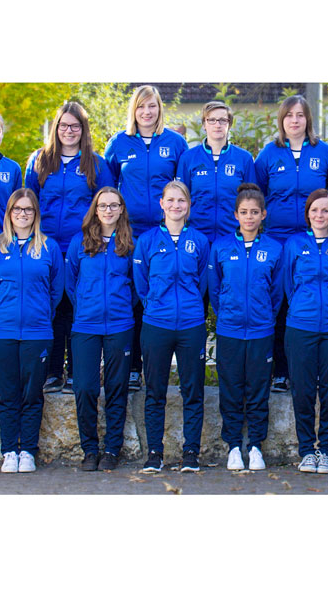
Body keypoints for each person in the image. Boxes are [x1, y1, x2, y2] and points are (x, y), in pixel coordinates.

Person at [25, 101, 114, 395]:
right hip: (47, 246)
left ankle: (78, 371)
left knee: (78, 306)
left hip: (83, 246)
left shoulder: (96, 164)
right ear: (56, 128)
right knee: (53, 307)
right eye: (64, 125)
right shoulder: (40, 160)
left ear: (83, 129)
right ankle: (52, 372)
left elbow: (106, 202)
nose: (69, 131)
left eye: (75, 126)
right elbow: (28, 201)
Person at [105, 85, 189, 392]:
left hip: (164, 234)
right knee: (130, 296)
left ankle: (158, 366)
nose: (147, 112)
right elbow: (108, 189)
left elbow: (183, 189)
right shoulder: (119, 142)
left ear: (159, 109)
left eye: (152, 106)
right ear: (133, 110)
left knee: (157, 294)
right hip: (129, 233)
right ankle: (132, 367)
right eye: (141, 106)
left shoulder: (176, 143)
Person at [254, 94, 328, 393]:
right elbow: (257, 195)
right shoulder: (269, 154)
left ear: (308, 119)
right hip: (278, 240)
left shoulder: (325, 153)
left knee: (312, 300)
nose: (294, 120)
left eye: (300, 115)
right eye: (289, 115)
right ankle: (280, 372)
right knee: (280, 304)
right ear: (282, 120)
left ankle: (314, 372)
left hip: (315, 239)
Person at [0, 188, 64, 473]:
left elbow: (56, 290)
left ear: (35, 214)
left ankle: (27, 450)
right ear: (9, 213)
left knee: (32, 394)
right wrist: (3, 312)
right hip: (3, 332)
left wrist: (39, 314)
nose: (23, 214)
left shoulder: (49, 248)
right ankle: (9, 451)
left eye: (28, 209)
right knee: (7, 394)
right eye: (17, 209)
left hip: (37, 332)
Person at [133, 180, 210, 473]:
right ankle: (155, 452)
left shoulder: (199, 241)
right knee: (155, 391)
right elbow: (141, 283)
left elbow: (203, 282)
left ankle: (191, 452)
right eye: (171, 200)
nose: (176, 205)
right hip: (157, 324)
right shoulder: (147, 241)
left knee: (193, 390)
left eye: (182, 200)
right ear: (162, 204)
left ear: (188, 206)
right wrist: (156, 304)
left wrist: (189, 306)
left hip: (191, 325)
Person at [207, 183, 283, 471]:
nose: (249, 217)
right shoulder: (221, 247)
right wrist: (228, 312)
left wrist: (264, 316)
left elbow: (277, 292)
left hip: (261, 331)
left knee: (258, 389)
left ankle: (256, 446)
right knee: (231, 389)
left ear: (263, 214)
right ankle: (234, 446)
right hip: (230, 330)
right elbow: (215, 289)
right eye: (244, 212)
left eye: (254, 212)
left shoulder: (274, 249)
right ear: (235, 215)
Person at [282, 189, 328, 475]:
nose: (320, 215)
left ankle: (325, 450)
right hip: (301, 327)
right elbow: (288, 285)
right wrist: (303, 307)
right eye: (315, 210)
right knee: (302, 391)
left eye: (325, 210)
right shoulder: (294, 244)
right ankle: (306, 451)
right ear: (308, 214)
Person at [66, 187, 135, 472]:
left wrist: (121, 306)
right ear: (95, 210)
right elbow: (70, 283)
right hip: (86, 325)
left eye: (114, 205)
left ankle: (111, 449)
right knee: (85, 388)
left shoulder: (130, 244)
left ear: (121, 210)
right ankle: (90, 449)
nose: (108, 210)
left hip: (120, 324)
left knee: (117, 387)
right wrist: (87, 304)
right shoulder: (80, 242)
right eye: (103, 205)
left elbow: (137, 285)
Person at [176, 100, 255, 246]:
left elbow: (251, 199)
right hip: (197, 235)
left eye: (222, 120)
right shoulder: (188, 158)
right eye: (211, 120)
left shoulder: (244, 158)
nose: (217, 125)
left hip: (233, 236)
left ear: (229, 124)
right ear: (204, 124)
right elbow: (181, 198)